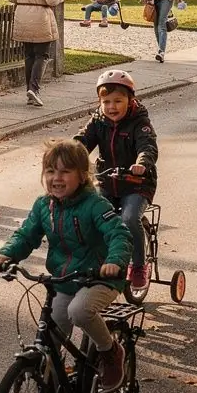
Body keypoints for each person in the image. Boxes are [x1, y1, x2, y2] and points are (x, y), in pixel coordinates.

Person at [0, 139, 132, 386]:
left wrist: (114, 261)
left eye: (65, 171)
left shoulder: (96, 205)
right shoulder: (44, 205)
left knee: (79, 312)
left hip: (99, 277)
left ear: (82, 175)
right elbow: (26, 235)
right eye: (50, 171)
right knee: (48, 341)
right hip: (65, 281)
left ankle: (110, 351)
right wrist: (7, 254)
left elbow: (119, 234)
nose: (57, 177)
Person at [76, 68, 158, 292]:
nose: (112, 107)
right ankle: (96, 262)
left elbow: (147, 146)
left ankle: (139, 266)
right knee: (93, 217)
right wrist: (68, 155)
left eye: (118, 101)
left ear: (130, 100)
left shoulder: (139, 122)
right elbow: (83, 141)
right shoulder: (98, 120)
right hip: (107, 181)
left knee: (129, 218)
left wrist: (142, 163)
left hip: (137, 184)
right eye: (106, 101)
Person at [7, 0, 63, 107]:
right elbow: (52, 0)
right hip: (40, 17)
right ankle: (34, 88)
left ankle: (29, 90)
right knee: (42, 55)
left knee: (29, 55)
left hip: (22, 15)